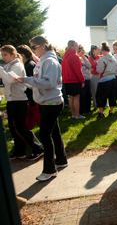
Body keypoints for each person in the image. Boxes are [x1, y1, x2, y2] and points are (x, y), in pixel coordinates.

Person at [15, 35, 67, 181]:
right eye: (31, 47)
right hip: (46, 102)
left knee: (45, 135)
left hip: (51, 102)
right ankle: (61, 160)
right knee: (54, 132)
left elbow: (48, 83)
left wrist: (28, 80)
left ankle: (50, 169)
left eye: (34, 47)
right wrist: (25, 81)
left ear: (43, 45)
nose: (32, 50)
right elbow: (38, 82)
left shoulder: (49, 61)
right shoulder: (43, 61)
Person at [0, 45, 43, 160]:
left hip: (19, 100)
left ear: (13, 55)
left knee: (21, 127)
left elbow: (10, 79)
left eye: (5, 54)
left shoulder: (17, 65)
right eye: (2, 54)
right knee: (13, 127)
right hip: (12, 100)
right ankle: (20, 151)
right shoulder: (8, 65)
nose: (3, 57)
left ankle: (38, 148)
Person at [16, 45, 41, 130]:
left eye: (17, 55)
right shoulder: (28, 64)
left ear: (22, 55)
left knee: (38, 119)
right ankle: (27, 139)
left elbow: (33, 83)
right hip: (31, 97)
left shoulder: (30, 65)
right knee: (28, 119)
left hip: (32, 98)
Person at [61, 40, 85, 119]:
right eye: (76, 45)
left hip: (66, 80)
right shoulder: (74, 56)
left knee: (71, 97)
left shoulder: (65, 57)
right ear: (70, 46)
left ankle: (73, 114)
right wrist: (82, 80)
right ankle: (77, 115)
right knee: (76, 98)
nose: (77, 47)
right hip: (74, 80)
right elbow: (78, 70)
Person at [95, 41, 117, 118]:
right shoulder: (113, 58)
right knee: (112, 95)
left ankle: (101, 113)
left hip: (104, 79)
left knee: (101, 96)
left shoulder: (102, 59)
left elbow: (99, 70)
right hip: (113, 78)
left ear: (103, 51)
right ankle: (111, 112)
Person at [78, 45, 92, 114]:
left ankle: (88, 109)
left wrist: (84, 58)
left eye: (83, 52)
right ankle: (82, 110)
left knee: (88, 94)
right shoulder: (77, 59)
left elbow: (89, 66)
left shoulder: (85, 58)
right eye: (81, 52)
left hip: (87, 78)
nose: (83, 53)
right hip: (81, 79)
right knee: (82, 96)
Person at [88, 45, 102, 110]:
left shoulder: (101, 57)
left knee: (101, 90)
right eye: (98, 49)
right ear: (94, 50)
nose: (99, 51)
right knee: (94, 90)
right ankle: (95, 104)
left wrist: (96, 62)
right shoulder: (90, 58)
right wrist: (97, 63)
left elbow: (103, 64)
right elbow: (91, 66)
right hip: (94, 76)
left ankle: (103, 104)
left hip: (100, 75)